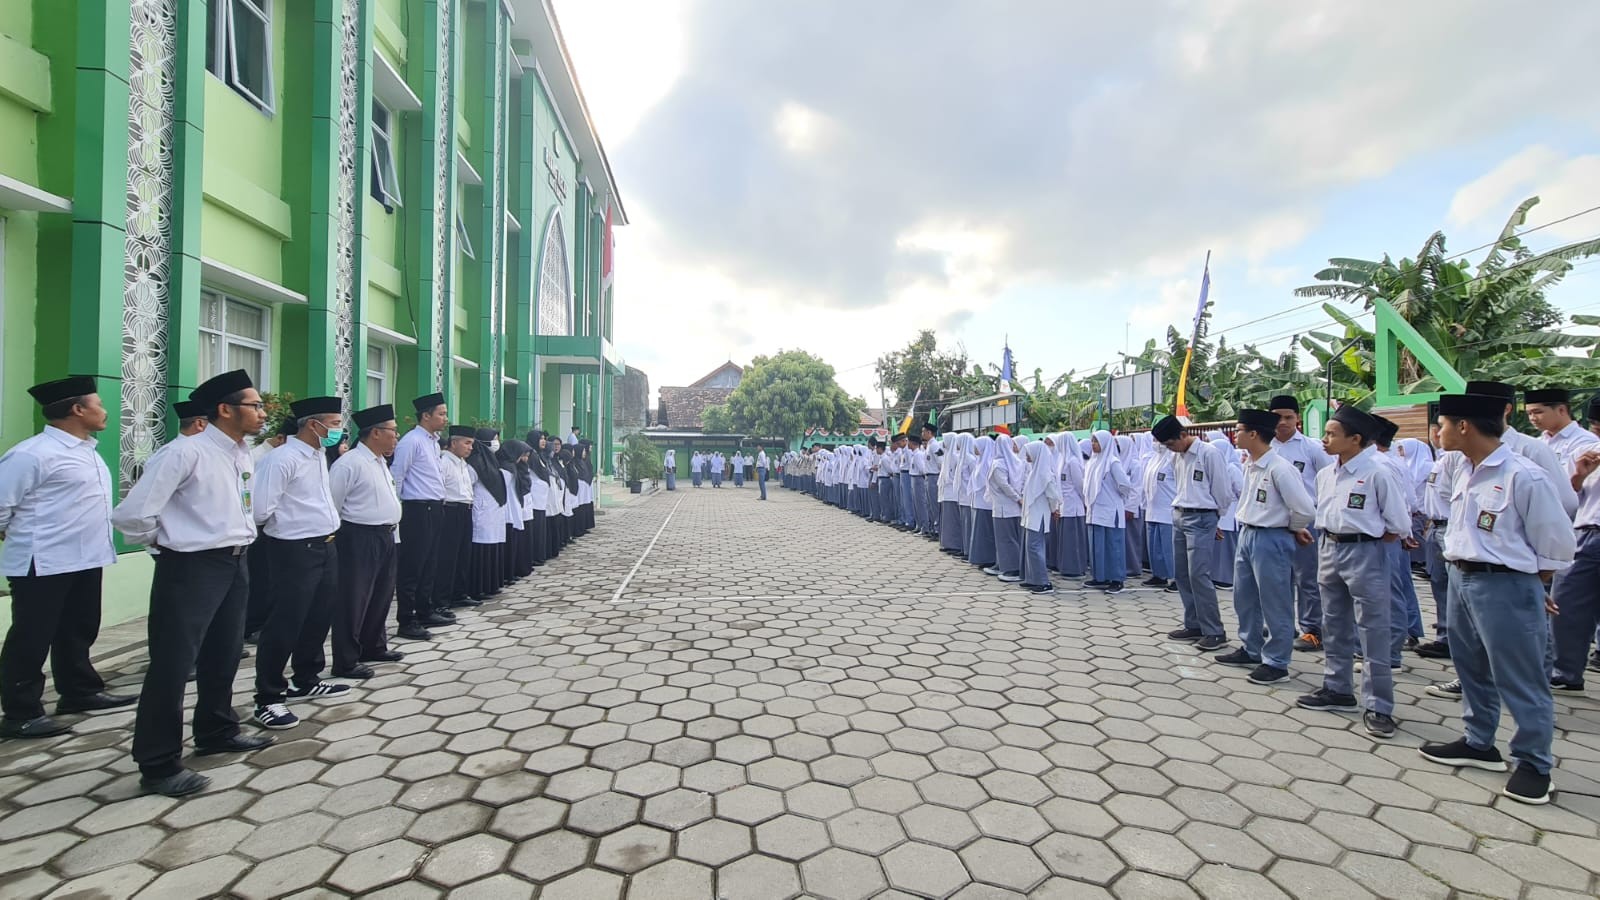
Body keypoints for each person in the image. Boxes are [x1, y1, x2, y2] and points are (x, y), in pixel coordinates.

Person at [112, 369, 275, 797]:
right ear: (225, 410)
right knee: (172, 664)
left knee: (224, 653)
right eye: (254, 405)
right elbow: (132, 516)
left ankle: (216, 730)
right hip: (190, 567)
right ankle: (159, 763)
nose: (263, 413)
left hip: (235, 562)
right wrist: (170, 544)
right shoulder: (184, 453)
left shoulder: (241, 454)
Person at [1420, 391, 1575, 805]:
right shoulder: (1465, 470)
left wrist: (1529, 588)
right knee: (1470, 668)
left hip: (1505, 585)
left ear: (1465, 426)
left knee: (1521, 678)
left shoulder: (1523, 474)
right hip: (1462, 579)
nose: (1440, 432)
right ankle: (1479, 741)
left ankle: (1534, 764)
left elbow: (1557, 545)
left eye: (1445, 424)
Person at [0, 376, 134, 740]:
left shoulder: (86, 450)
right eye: (98, 403)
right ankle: (20, 712)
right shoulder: (32, 454)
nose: (105, 410)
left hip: (85, 557)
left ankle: (79, 692)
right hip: (42, 561)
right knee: (31, 636)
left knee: (78, 628)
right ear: (78, 409)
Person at [1294, 404, 1411, 740]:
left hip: (1365, 551)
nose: (1324, 440)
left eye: (1332, 434)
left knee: (1373, 628)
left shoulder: (1377, 473)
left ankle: (1379, 705)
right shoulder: (1326, 473)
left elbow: (1397, 525)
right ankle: (1337, 688)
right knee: (1334, 623)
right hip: (1328, 547)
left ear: (1355, 439)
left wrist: (1366, 543)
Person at [249, 396, 351, 730]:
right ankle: (268, 696)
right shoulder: (281, 459)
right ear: (313, 424)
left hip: (326, 545)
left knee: (318, 616)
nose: (339, 430)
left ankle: (306, 678)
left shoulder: (318, 455)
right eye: (335, 424)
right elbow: (261, 509)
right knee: (285, 621)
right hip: (293, 549)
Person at [1214, 410, 1316, 685]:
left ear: (1254, 434)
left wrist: (1293, 527)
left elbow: (1304, 509)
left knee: (1275, 601)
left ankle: (1277, 662)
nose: (1235, 435)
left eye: (1239, 430)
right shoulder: (1250, 464)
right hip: (1248, 534)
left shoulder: (1280, 468)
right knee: (1244, 597)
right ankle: (1251, 647)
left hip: (1272, 538)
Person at [328, 404, 405, 680]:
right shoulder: (350, 464)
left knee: (381, 595)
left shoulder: (379, 461)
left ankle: (373, 645)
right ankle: (346, 660)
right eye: (393, 431)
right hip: (358, 537)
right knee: (354, 598)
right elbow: (333, 505)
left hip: (385, 535)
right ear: (375, 433)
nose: (396, 436)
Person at [1153, 415, 1238, 651]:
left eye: (1171, 443)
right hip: (1179, 515)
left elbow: (1223, 491)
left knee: (1199, 574)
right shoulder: (1176, 457)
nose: (1171, 449)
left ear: (1183, 435)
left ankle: (1215, 630)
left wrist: (1215, 519)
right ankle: (1194, 624)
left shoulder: (1208, 454)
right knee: (1182, 573)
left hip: (1202, 517)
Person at [1271, 396, 1334, 653]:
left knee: (1307, 579)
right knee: (1278, 580)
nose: (1283, 422)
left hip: (1306, 523)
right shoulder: (1265, 448)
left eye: (1288, 416)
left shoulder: (1312, 448)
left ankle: (1313, 630)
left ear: (1298, 418)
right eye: (1277, 417)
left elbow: (1330, 483)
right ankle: (1284, 625)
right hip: (1275, 524)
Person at [1549, 395, 1600, 695]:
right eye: (1595, 425)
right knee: (1566, 603)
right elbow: (1572, 498)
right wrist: (1580, 476)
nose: (1597, 431)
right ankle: (1566, 671)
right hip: (1586, 533)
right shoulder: (1588, 452)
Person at [390, 393, 452, 641]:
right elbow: (397, 475)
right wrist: (395, 511)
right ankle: (407, 619)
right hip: (416, 509)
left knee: (429, 563)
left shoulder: (433, 442)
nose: (445, 419)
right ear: (426, 416)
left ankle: (425, 610)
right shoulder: (411, 441)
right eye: (441, 414)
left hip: (435, 508)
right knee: (413, 566)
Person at [435, 426, 478, 612]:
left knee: (463, 555)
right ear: (454, 443)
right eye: (467, 443)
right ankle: (441, 601)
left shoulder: (463, 463)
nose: (470, 448)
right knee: (447, 558)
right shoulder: (444, 462)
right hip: (450, 511)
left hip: (465, 510)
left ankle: (459, 594)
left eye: (472, 444)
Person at [1084, 430, 1131, 593]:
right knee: (1097, 546)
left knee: (1113, 545)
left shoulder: (1112, 462)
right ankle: (1100, 577)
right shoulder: (1092, 462)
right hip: (1095, 510)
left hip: (1110, 511)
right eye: (1092, 441)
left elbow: (1125, 485)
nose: (1093, 444)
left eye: (1096, 441)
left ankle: (1117, 579)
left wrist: (1117, 498)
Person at [465, 429, 509, 600]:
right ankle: (478, 588)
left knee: (493, 545)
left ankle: (491, 584)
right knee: (482, 547)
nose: (497, 442)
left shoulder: (492, 460)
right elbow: (468, 485)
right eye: (494, 439)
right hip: (482, 510)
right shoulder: (475, 462)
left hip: (493, 510)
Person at [1019, 440, 1062, 595]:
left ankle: (1043, 582)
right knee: (1031, 547)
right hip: (1032, 515)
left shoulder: (1045, 474)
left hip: (1039, 516)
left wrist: (1054, 510)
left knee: (1035, 547)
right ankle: (1032, 579)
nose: (1027, 456)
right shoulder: (1034, 472)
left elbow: (1053, 496)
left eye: (1030, 453)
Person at [1527, 387, 1599, 472]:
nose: (1532, 418)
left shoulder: (1585, 440)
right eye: (1529, 414)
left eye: (1538, 412)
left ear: (1561, 410)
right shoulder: (1538, 442)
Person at [986, 435, 1026, 583]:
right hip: (1012, 507)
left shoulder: (998, 464)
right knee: (1009, 539)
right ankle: (1005, 565)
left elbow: (1004, 486)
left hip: (1004, 508)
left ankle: (1013, 569)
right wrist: (1018, 498)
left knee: (1007, 539)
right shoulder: (1014, 461)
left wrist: (1017, 498)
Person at [1207, 433, 1244, 590]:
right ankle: (1216, 576)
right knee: (1217, 549)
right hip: (1216, 511)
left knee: (1227, 547)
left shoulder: (1231, 469)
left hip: (1230, 513)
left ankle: (1227, 578)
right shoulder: (1213, 467)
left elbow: (1241, 491)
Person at [1140, 442, 1177, 589]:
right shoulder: (1154, 459)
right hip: (1152, 509)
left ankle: (1175, 578)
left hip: (1167, 510)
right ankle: (1159, 575)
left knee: (1169, 548)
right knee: (1154, 547)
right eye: (1153, 439)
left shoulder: (1172, 459)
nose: (1155, 443)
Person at [1052, 433, 1088, 578]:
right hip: (1064, 505)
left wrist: (1084, 503)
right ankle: (1065, 567)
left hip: (1073, 506)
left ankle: (1075, 569)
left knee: (1073, 539)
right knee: (1065, 539)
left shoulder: (1073, 461)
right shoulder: (1062, 460)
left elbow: (1080, 485)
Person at [966, 436, 999, 570]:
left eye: (977, 446)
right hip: (977, 501)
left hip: (986, 503)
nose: (975, 449)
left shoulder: (988, 463)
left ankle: (988, 558)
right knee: (979, 531)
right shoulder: (980, 461)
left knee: (985, 532)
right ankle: (980, 558)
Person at [939, 434, 968, 554]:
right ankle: (947, 543)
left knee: (952, 520)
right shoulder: (947, 455)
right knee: (946, 520)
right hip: (945, 491)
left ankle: (954, 544)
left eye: (945, 440)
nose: (943, 443)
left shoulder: (955, 457)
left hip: (952, 492)